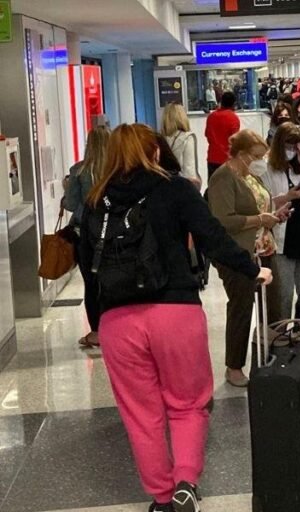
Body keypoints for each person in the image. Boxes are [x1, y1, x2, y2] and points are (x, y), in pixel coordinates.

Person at [78, 124, 272, 512]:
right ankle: (185, 482)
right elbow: (211, 236)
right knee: (186, 405)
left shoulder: (96, 201)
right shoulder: (176, 189)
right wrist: (253, 271)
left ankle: (162, 497)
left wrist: (99, 323)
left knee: (141, 413)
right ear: (155, 152)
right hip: (176, 312)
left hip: (119, 321)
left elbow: (88, 268)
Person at [207, 129, 290, 388]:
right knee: (242, 307)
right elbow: (222, 220)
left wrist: (275, 215)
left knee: (275, 304)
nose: (260, 161)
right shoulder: (223, 177)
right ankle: (234, 365)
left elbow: (261, 206)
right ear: (241, 154)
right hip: (237, 253)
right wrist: (258, 220)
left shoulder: (252, 176)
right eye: (256, 156)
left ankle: (273, 358)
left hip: (264, 247)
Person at [262, 122, 300, 317]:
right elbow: (263, 202)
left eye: (294, 146)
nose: (291, 151)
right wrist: (287, 197)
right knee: (283, 294)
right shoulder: (267, 168)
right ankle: (282, 334)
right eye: (287, 146)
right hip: (282, 237)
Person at [63, 125, 110, 349]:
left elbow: (71, 204)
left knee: (91, 284)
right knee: (112, 281)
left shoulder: (79, 171)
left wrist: (66, 189)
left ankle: (96, 332)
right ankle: (117, 329)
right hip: (113, 233)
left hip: (85, 235)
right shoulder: (117, 170)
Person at [205, 91, 241, 182]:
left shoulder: (211, 116)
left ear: (221, 101)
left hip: (212, 157)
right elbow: (235, 140)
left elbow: (207, 134)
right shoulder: (233, 118)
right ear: (233, 103)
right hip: (228, 159)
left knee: (213, 187)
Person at [161, 104, 200, 187]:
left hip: (164, 185)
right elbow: (189, 169)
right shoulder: (187, 137)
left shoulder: (159, 138)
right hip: (182, 186)